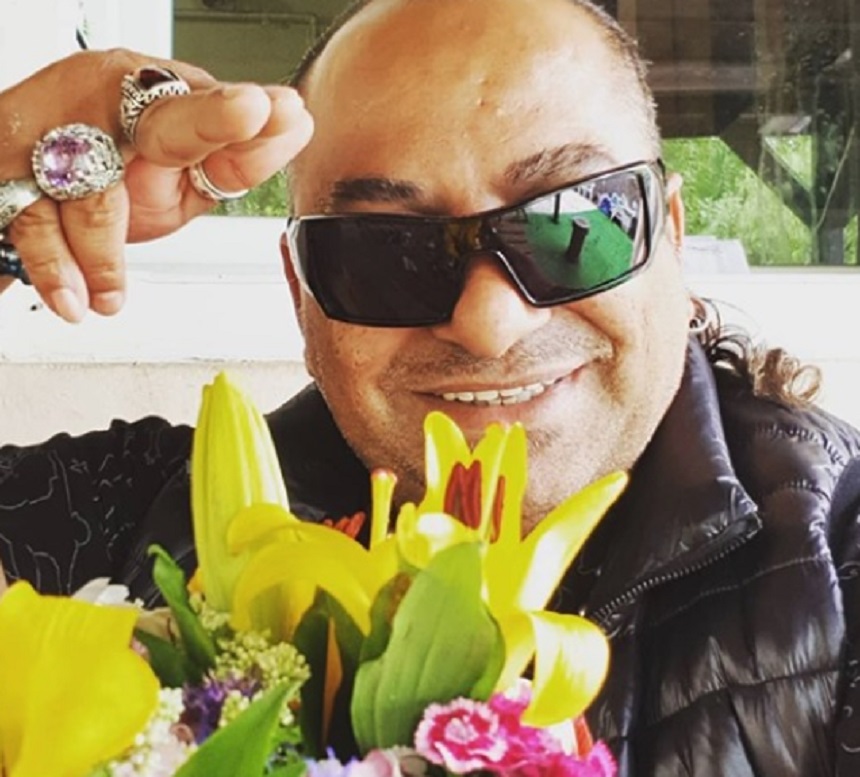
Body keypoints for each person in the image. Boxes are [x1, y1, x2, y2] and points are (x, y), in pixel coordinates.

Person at [1, 0, 859, 773]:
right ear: (302, 294)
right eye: (384, 250)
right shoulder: (135, 522)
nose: (488, 323)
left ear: (669, 238)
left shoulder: (837, 568)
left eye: (573, 224)